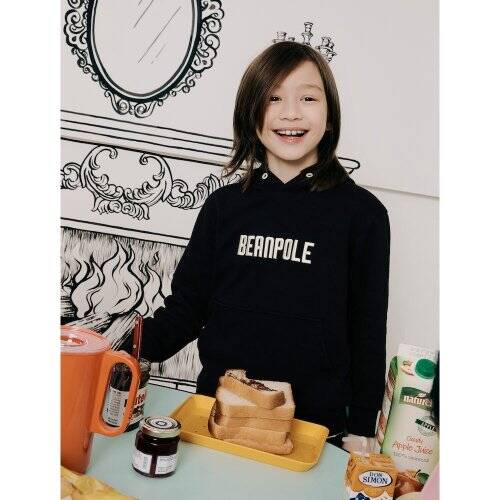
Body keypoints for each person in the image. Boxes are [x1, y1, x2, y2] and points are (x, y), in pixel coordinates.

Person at [123, 41, 391, 449]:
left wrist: (363, 429)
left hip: (316, 429)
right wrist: (115, 342)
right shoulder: (223, 208)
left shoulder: (363, 215)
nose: (290, 113)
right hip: (218, 415)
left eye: (308, 98)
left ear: (330, 116)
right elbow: (185, 311)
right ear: (251, 115)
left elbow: (368, 331)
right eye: (273, 98)